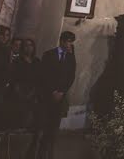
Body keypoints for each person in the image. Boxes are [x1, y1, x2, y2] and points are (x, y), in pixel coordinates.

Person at [30, 31, 77, 159]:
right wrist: (53, 91)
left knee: (54, 125)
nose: (70, 44)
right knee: (42, 124)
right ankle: (36, 151)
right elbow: (44, 75)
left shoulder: (71, 57)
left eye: (72, 42)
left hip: (60, 97)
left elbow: (71, 77)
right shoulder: (49, 54)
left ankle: (49, 151)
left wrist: (61, 91)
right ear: (62, 41)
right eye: (68, 41)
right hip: (47, 95)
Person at [7, 38, 41, 130]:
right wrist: (20, 92)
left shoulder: (37, 62)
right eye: (26, 45)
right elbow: (13, 78)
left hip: (33, 92)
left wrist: (33, 92)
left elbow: (39, 79)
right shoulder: (17, 61)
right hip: (18, 92)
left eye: (31, 45)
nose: (28, 47)